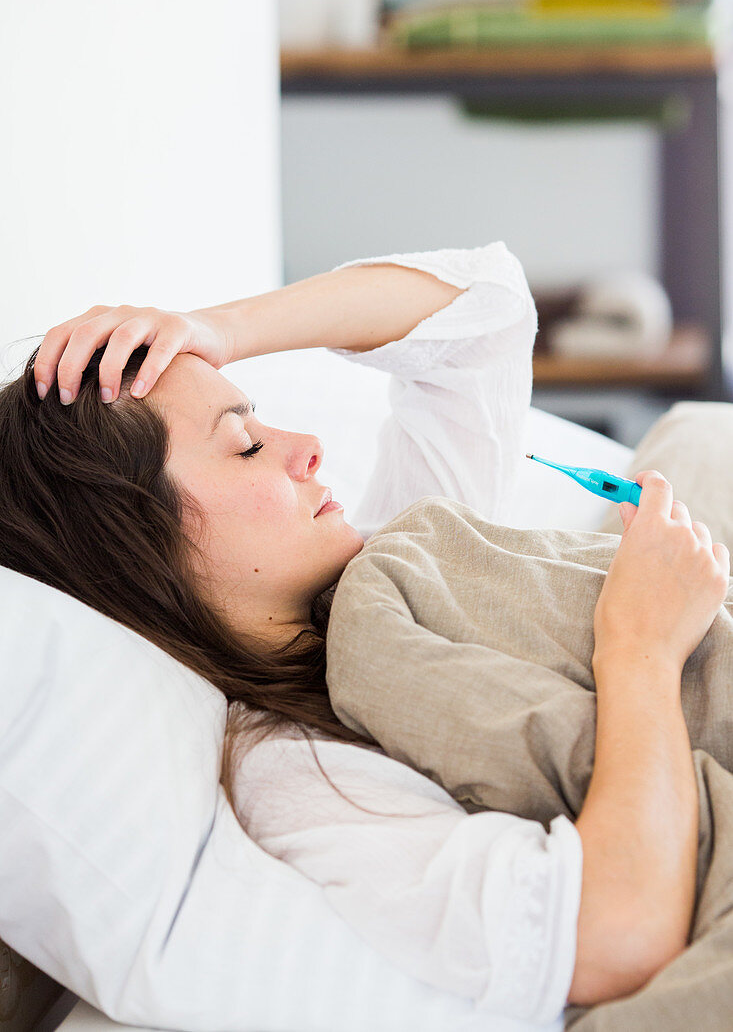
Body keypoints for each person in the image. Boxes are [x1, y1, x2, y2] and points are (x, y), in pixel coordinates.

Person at [1, 243, 728, 1026]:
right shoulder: (300, 773)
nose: (305, 446)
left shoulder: (390, 562)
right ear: (134, 545)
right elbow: (615, 937)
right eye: (245, 444)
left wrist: (215, 329)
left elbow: (480, 315)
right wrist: (643, 644)